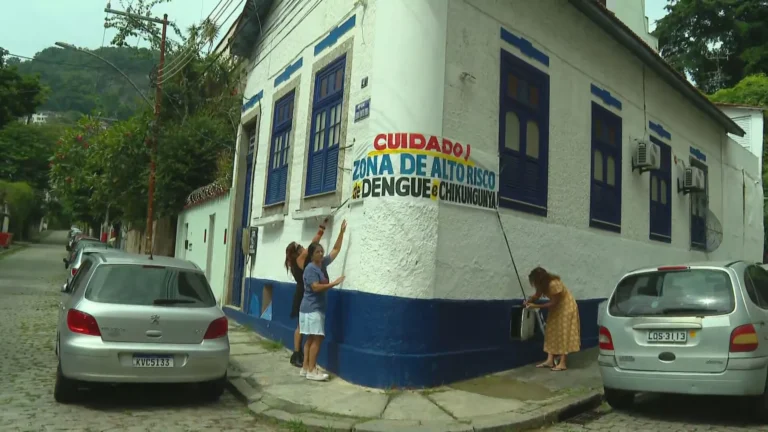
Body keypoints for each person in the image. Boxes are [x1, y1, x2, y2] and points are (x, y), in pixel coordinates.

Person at [300, 220, 347, 381]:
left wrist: (341, 232)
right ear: (312, 255)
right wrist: (333, 283)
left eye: (321, 251)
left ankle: (306, 367)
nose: (321, 253)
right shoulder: (311, 268)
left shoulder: (322, 264)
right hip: (312, 309)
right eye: (318, 252)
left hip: (310, 308)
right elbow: (315, 287)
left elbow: (336, 249)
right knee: (317, 339)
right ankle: (312, 370)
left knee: (311, 338)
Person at [285, 218, 329, 367]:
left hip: (301, 293)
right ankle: (296, 354)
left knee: (301, 326)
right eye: (300, 247)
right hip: (302, 294)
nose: (303, 247)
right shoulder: (301, 258)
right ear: (297, 251)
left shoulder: (297, 261)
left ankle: (298, 354)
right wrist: (322, 228)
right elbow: (313, 243)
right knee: (300, 327)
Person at [524, 266, 580, 371]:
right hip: (557, 308)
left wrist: (535, 306)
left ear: (539, 279)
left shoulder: (554, 284)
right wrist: (530, 300)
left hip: (566, 308)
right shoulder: (543, 285)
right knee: (551, 331)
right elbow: (537, 295)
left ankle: (562, 363)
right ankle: (550, 361)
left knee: (563, 333)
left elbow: (553, 303)